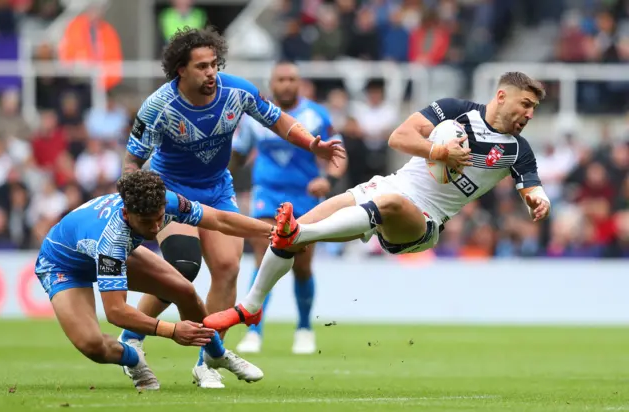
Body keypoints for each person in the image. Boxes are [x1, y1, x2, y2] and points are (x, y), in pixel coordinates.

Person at [203, 71, 553, 331]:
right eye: (526, 104)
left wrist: (540, 200)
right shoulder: (453, 111)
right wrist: (439, 151)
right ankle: (250, 306)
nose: (530, 114)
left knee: (378, 208)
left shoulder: (517, 151)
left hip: (422, 221)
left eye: (534, 108)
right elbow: (398, 137)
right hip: (387, 186)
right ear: (502, 96)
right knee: (299, 226)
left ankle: (300, 239)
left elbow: (532, 188)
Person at [120, 27, 345, 388]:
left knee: (226, 269)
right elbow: (132, 160)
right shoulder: (159, 107)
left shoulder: (236, 91)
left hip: (217, 189)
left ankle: (206, 361)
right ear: (181, 69)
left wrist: (311, 144)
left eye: (214, 64)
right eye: (202, 66)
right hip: (172, 191)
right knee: (184, 266)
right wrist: (136, 198)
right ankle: (131, 340)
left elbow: (277, 118)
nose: (211, 73)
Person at [34, 170, 276, 391]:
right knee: (93, 345)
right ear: (127, 214)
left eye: (159, 218)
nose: (156, 227)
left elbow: (220, 220)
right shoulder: (112, 240)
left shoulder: (168, 201)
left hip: (109, 250)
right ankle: (133, 358)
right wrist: (171, 331)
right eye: (146, 222)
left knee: (184, 290)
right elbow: (116, 311)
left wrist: (272, 231)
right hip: (63, 266)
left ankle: (215, 354)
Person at [230, 61, 347, 354]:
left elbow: (339, 152)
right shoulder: (256, 116)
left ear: (299, 83)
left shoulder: (316, 115)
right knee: (262, 257)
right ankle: (254, 331)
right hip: (266, 194)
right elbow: (237, 155)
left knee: (302, 265)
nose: (285, 84)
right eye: (280, 79)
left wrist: (328, 180)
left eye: (291, 79)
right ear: (272, 83)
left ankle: (305, 328)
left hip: (303, 196)